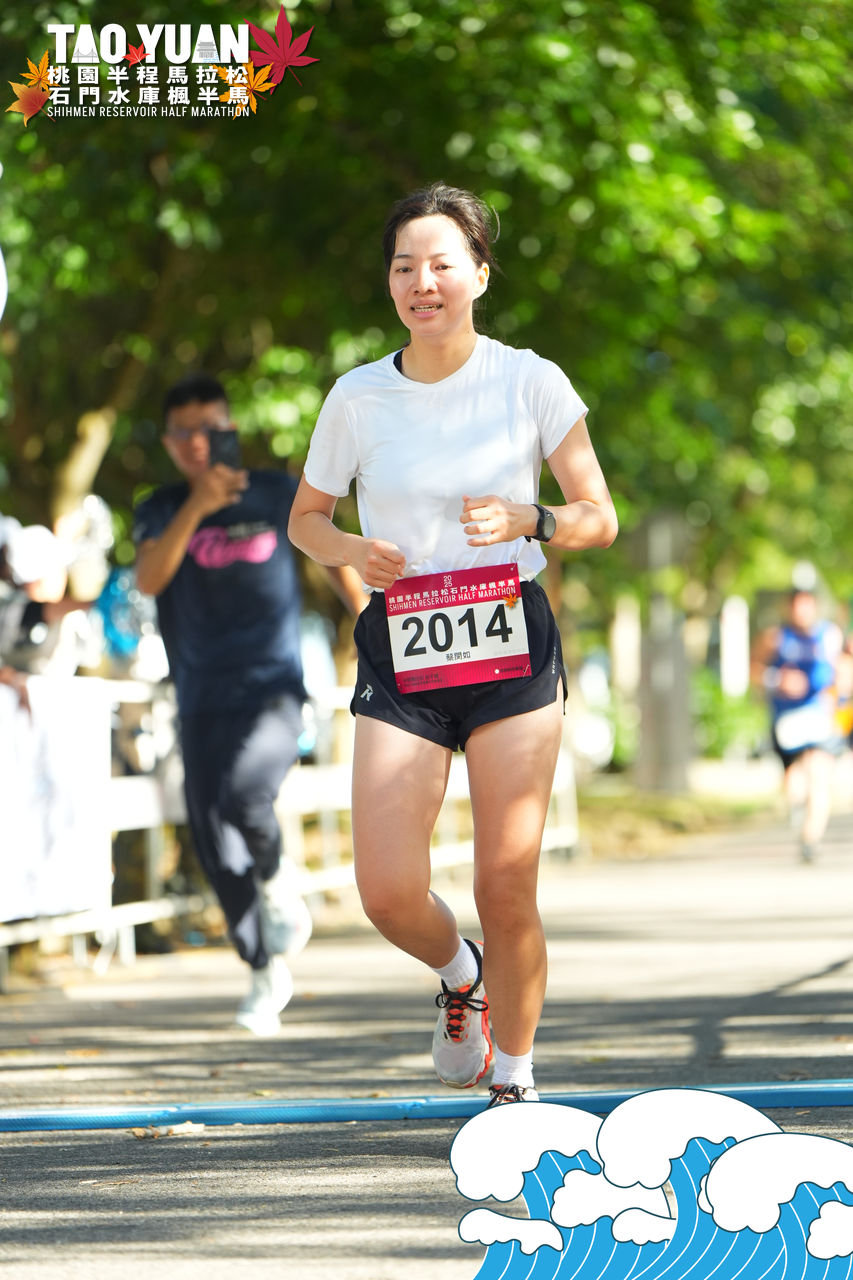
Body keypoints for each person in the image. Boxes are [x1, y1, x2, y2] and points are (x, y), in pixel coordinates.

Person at [288, 182, 617, 1106]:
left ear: (479, 273)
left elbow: (599, 517)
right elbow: (307, 519)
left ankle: (514, 1081)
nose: (421, 283)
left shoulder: (530, 380)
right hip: (404, 646)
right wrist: (352, 550)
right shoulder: (357, 396)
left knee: (505, 879)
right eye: (404, 267)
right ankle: (461, 974)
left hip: (508, 639)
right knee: (387, 891)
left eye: (440, 264)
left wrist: (530, 517)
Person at [134, 373, 365, 1035]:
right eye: (183, 433)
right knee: (213, 835)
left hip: (273, 689)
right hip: (198, 694)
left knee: (245, 792)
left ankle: (276, 874)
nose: (198, 442)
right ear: (169, 442)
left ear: (231, 427)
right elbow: (149, 578)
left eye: (210, 428)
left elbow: (333, 558)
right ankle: (262, 969)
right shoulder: (160, 506)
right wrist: (197, 507)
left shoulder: (277, 492)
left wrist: (370, 623)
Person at [752, 586, 843, 863]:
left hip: (819, 716)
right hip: (788, 722)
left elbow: (842, 668)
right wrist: (778, 680)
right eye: (796, 605)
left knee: (820, 775)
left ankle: (810, 840)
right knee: (795, 783)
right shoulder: (776, 637)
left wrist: (838, 691)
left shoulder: (829, 635)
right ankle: (798, 809)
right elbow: (754, 670)